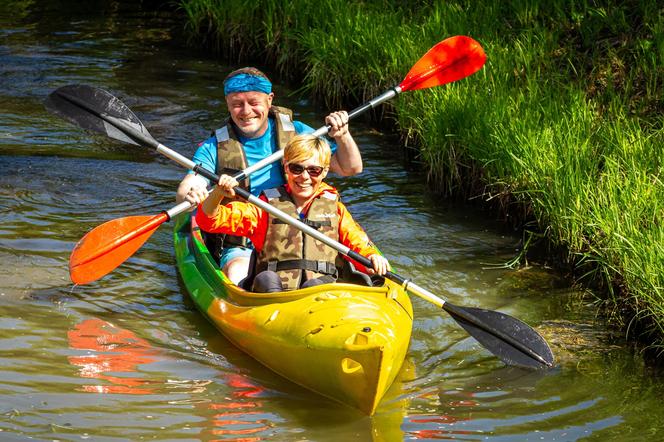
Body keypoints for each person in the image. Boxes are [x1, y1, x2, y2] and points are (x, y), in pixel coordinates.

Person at [178, 67, 363, 284]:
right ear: (228, 104)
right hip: (242, 240)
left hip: (302, 234)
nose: (246, 111)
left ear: (269, 99)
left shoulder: (299, 134)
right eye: (237, 104)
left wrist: (342, 136)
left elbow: (350, 168)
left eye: (254, 102)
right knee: (238, 273)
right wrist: (193, 193)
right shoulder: (215, 146)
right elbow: (186, 189)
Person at [192, 134, 388, 293]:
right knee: (266, 279)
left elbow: (356, 240)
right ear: (286, 167)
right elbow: (210, 221)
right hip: (272, 298)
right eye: (297, 168)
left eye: (313, 170)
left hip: (320, 296)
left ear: (325, 171)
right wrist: (217, 194)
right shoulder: (266, 206)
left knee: (316, 286)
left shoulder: (334, 208)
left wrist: (372, 256)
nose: (304, 177)